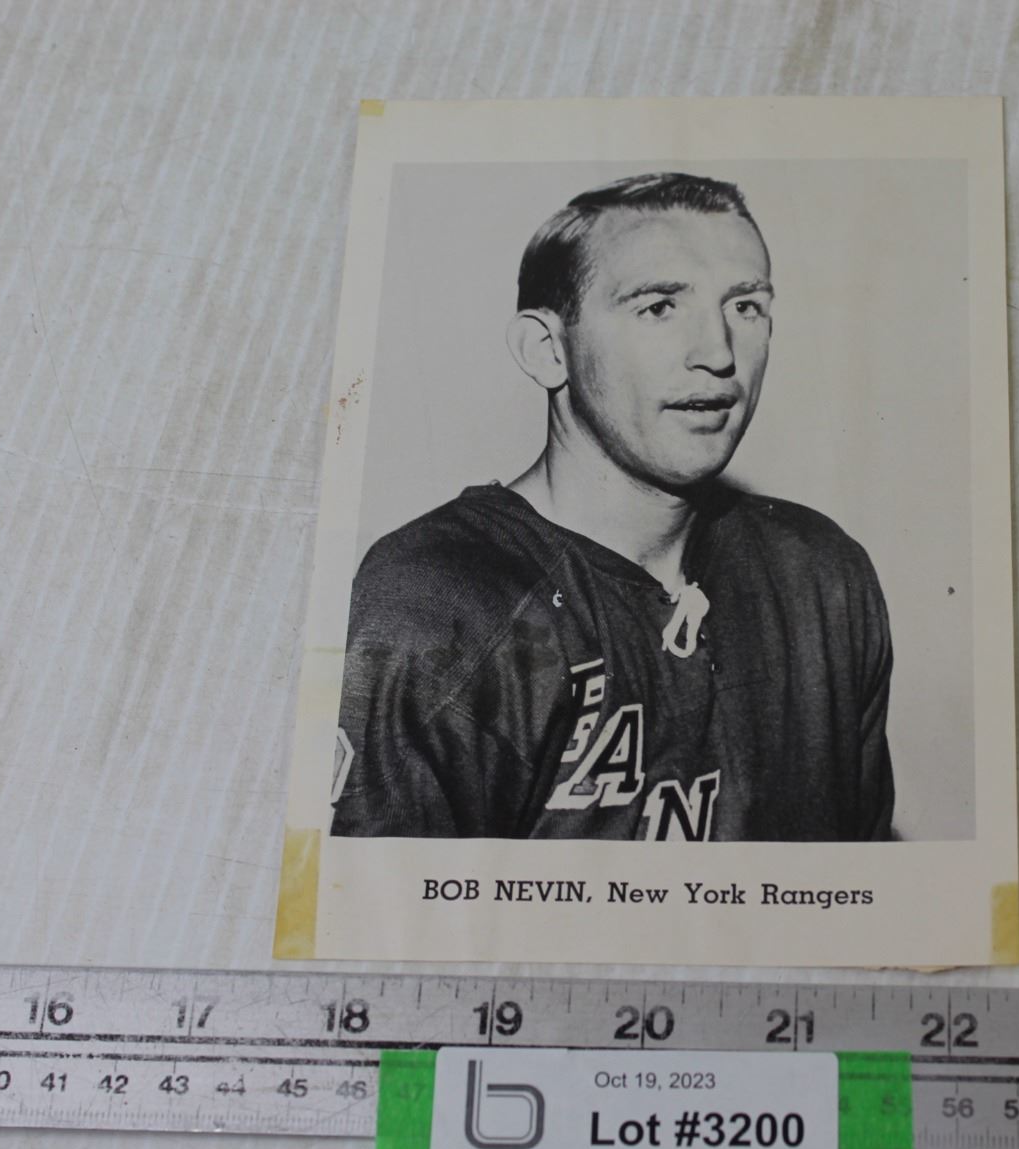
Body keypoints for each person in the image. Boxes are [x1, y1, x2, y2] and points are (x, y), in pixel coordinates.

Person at [329, 172, 894, 841]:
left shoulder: (819, 577)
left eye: (745, 307)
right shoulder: (440, 605)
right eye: (659, 307)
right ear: (548, 350)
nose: (719, 354)